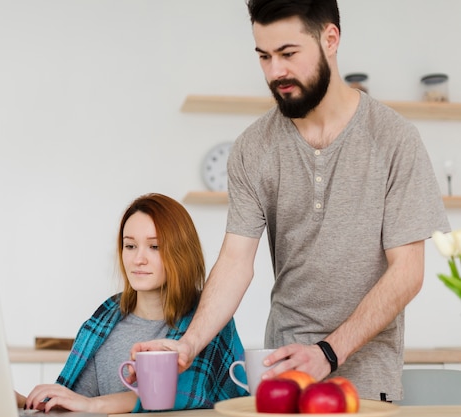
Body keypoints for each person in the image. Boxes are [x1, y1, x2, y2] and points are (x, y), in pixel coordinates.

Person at [132, 0, 450, 402]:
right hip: (280, 380)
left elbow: (408, 271)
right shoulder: (253, 147)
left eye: (288, 54)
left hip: (367, 384)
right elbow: (235, 261)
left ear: (330, 39)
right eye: (264, 56)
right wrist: (189, 343)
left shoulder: (394, 139)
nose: (275, 71)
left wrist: (328, 353)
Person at [16, 193, 248, 413]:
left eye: (154, 246)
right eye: (130, 246)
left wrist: (93, 405)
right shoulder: (102, 322)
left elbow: (182, 395)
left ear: (181, 253)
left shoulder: (207, 318)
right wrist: (18, 401)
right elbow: (75, 403)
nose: (138, 259)